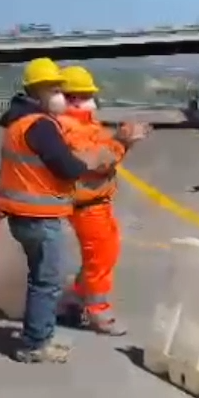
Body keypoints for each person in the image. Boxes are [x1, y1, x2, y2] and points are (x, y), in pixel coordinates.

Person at [0, 57, 123, 364]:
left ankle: (39, 337)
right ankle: (35, 344)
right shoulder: (39, 125)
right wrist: (91, 162)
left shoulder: (19, 122)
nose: (60, 96)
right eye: (54, 90)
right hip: (38, 217)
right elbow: (67, 167)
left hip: (24, 215)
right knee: (46, 282)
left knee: (42, 280)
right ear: (37, 92)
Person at [56, 65, 151, 336]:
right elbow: (94, 162)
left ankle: (74, 300)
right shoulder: (68, 127)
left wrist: (122, 142)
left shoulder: (85, 124)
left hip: (97, 201)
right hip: (85, 203)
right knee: (99, 257)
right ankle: (99, 311)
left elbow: (104, 155)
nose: (91, 100)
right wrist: (122, 142)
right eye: (86, 95)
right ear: (72, 98)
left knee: (105, 253)